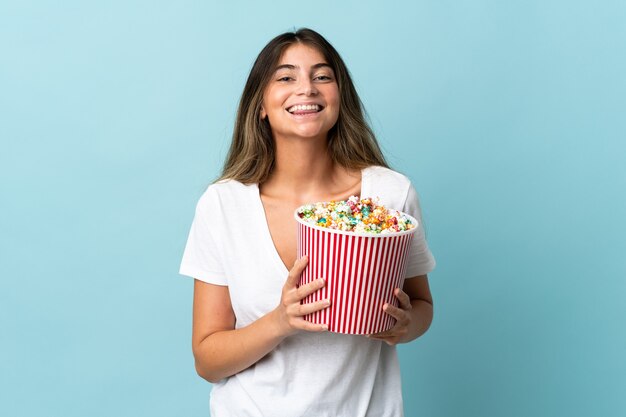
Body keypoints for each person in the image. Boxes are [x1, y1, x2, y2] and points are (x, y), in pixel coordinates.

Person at [179, 28, 436, 417]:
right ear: (260, 105)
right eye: (286, 77)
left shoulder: (390, 196)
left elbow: (422, 306)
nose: (307, 89)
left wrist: (403, 325)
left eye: (322, 76)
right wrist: (281, 321)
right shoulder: (223, 205)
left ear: (339, 97)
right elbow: (207, 360)